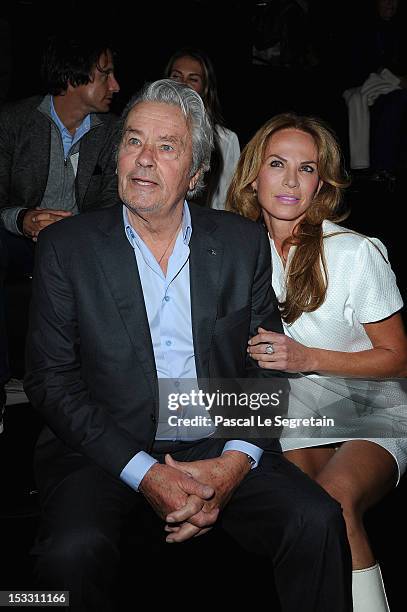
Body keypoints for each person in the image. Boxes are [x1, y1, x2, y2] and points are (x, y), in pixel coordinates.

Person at [24, 80, 352, 612]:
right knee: (69, 557)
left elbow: (266, 366)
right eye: (134, 141)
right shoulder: (68, 247)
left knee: (316, 520)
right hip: (104, 445)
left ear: (196, 174)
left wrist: (235, 463)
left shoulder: (241, 243)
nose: (145, 160)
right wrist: (146, 473)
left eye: (167, 146)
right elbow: (50, 380)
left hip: (217, 438)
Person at [227, 112, 407, 612]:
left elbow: (399, 359)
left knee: (333, 503)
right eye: (278, 164)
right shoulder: (237, 252)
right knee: (308, 520)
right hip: (294, 416)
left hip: (372, 411)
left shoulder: (354, 253)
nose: (289, 180)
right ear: (252, 174)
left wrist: (307, 357)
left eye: (306, 169)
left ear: (321, 182)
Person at [0, 30, 120, 423]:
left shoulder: (114, 132)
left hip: (80, 241)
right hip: (20, 236)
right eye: (105, 75)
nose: (115, 86)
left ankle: (96, 391)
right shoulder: (14, 122)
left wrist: (68, 231)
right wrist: (22, 218)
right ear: (73, 78)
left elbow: (110, 204)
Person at [164, 47, 240, 210]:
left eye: (193, 79)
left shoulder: (225, 140)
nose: (182, 84)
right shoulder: (148, 129)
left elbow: (227, 200)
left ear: (205, 89)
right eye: (176, 76)